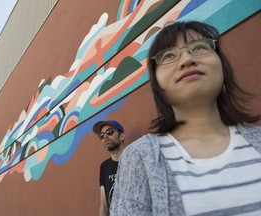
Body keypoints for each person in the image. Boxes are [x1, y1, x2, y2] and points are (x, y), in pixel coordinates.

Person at [110, 21, 261, 215]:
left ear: (221, 66)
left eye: (199, 47)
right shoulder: (139, 157)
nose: (187, 59)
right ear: (157, 83)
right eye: (169, 55)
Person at [93, 120, 125, 216]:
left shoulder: (134, 158)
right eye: (101, 135)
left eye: (109, 132)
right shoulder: (104, 167)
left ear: (121, 136)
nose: (105, 137)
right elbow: (104, 205)